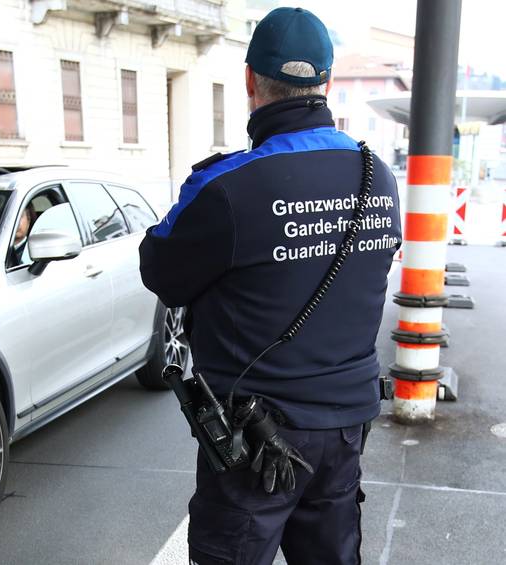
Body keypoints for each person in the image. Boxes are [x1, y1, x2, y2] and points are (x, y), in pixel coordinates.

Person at [139, 8, 401, 565]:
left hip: (253, 441)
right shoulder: (376, 174)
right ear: (326, 83)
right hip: (345, 427)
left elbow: (160, 272)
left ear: (250, 82)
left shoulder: (228, 185)